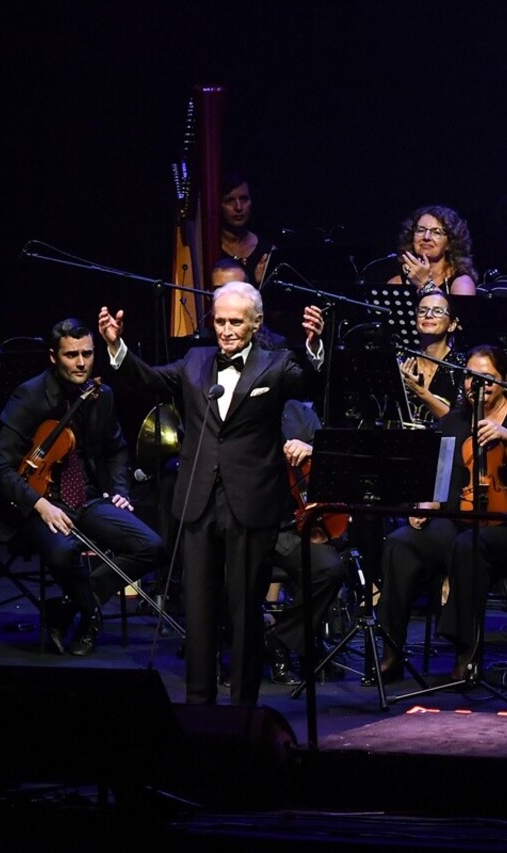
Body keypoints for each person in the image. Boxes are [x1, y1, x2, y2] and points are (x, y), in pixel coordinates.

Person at [99, 282, 325, 706]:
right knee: (199, 610)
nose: (226, 330)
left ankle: (242, 709)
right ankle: (198, 707)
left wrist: (314, 347)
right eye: (220, 321)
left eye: (236, 322)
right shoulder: (195, 361)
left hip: (250, 503)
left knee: (243, 613)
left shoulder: (275, 366)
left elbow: (309, 383)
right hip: (199, 501)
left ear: (256, 323)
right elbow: (148, 379)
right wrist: (118, 348)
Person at [376, 345, 507, 683]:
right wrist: (425, 504)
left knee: (469, 545)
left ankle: (466, 651)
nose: (478, 385)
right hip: (464, 519)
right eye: (470, 377)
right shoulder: (456, 420)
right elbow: (440, 472)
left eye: (487, 378)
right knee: (400, 543)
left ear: (505, 381)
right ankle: (391, 650)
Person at [0, 319, 163, 656]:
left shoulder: (102, 395)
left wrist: (120, 490)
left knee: (151, 545)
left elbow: (116, 450)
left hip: (87, 497)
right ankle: (91, 614)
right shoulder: (29, 395)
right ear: (54, 357)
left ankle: (69, 607)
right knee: (63, 551)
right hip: (37, 504)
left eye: (87, 353)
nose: (81, 362)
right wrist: (40, 504)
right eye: (72, 355)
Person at [263, 399, 349, 685]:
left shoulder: (300, 413)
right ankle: (303, 643)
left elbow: (332, 462)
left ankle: (283, 639)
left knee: (330, 568)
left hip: (299, 524)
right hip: (258, 525)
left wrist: (314, 451)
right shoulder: (235, 411)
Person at [398, 287, 465, 425]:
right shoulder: (401, 359)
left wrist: (420, 392)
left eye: (438, 311)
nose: (428, 315)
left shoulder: (462, 366)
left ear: (452, 325)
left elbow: (458, 423)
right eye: (422, 311)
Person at [389, 205, 478, 296]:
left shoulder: (462, 283)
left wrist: (425, 284)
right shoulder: (397, 282)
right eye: (420, 230)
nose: (426, 237)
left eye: (436, 232)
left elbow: (458, 310)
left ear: (450, 243)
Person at [218, 172, 274, 286]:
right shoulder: (207, 250)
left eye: (243, 199)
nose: (238, 207)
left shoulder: (267, 251)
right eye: (230, 201)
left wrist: (262, 283)